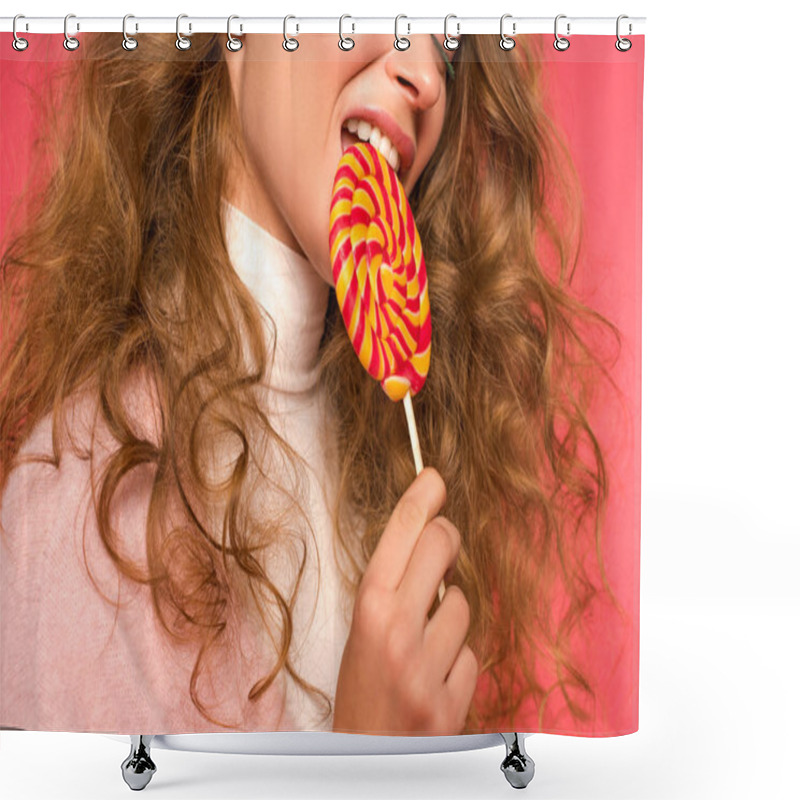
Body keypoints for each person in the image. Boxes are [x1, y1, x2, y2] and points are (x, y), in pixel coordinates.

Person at [0, 31, 621, 735]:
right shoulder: (84, 507)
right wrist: (365, 763)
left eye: (448, 46)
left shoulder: (379, 465)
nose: (426, 77)